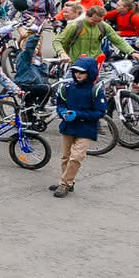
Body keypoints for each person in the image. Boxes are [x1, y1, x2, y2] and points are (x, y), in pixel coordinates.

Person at [49, 60, 105, 198]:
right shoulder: (67, 87)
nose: (78, 74)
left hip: (86, 128)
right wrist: (63, 113)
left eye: (82, 72)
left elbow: (100, 112)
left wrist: (78, 115)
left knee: (76, 157)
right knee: (66, 157)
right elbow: (60, 105)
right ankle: (69, 181)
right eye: (76, 71)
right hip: (68, 126)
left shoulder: (96, 90)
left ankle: (64, 183)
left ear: (90, 73)